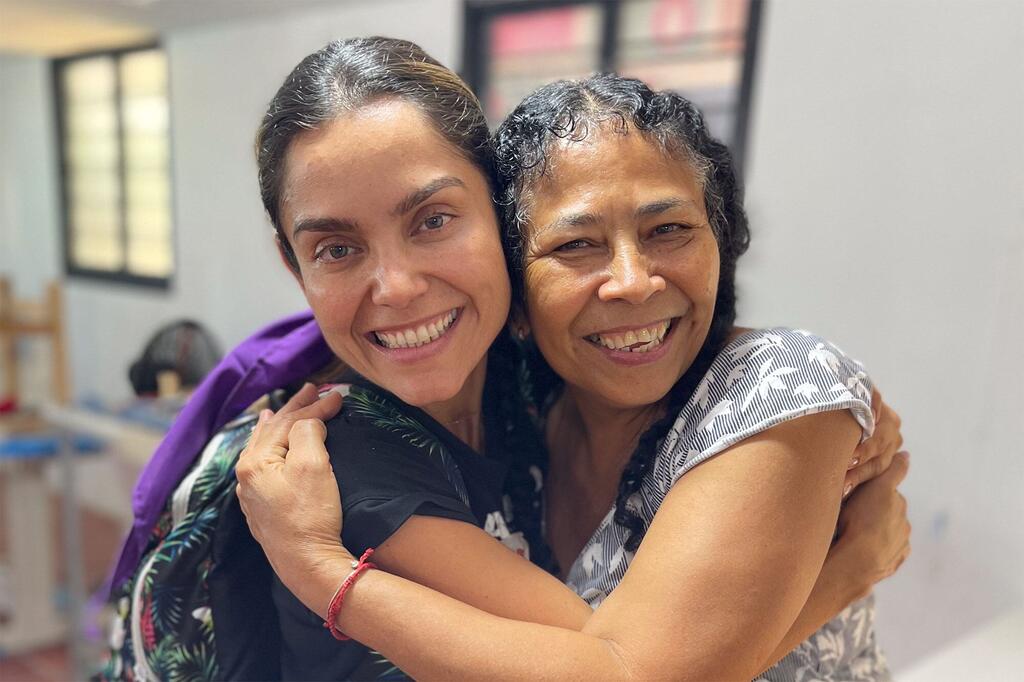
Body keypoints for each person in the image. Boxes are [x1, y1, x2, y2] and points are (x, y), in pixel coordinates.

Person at [235, 39, 909, 681]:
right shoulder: (365, 447)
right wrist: (847, 570)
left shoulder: (758, 389)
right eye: (576, 245)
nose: (631, 281)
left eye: (669, 229)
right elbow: (635, 666)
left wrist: (806, 379)